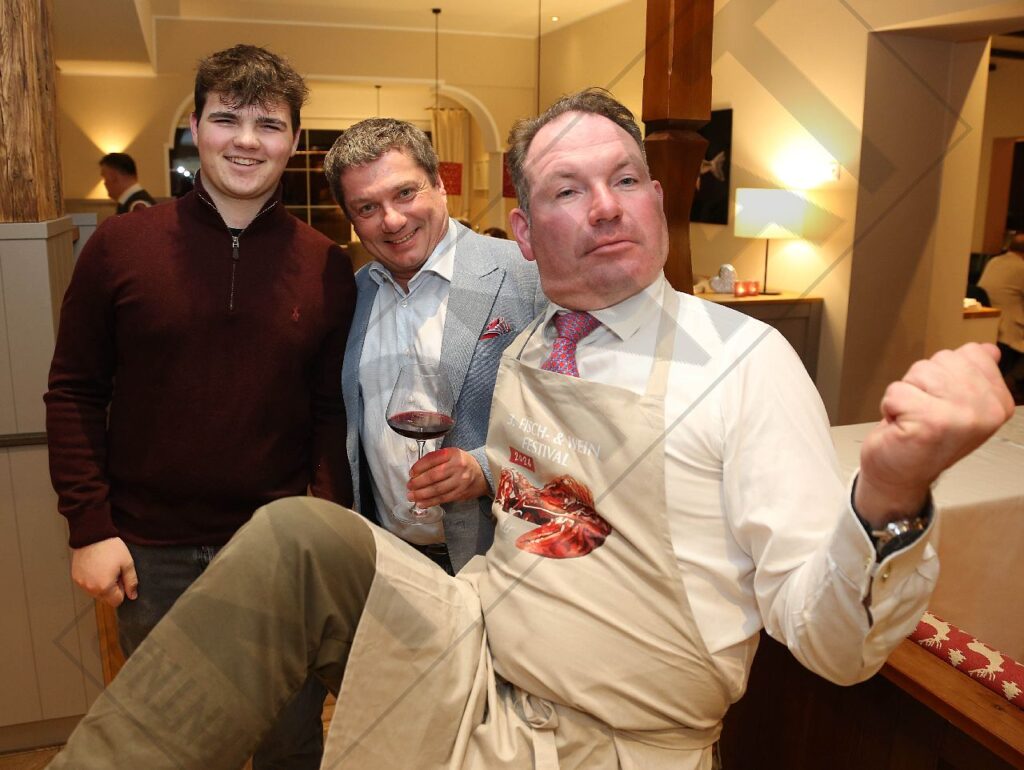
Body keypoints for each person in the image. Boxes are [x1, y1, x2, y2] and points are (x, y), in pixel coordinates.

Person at [51, 89, 1014, 770]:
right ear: (523, 229)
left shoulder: (744, 363)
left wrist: (890, 495)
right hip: (469, 653)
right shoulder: (530, 346)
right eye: (565, 189)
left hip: (611, 738)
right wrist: (483, 467)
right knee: (297, 536)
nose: (606, 206)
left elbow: (834, 645)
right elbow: (545, 495)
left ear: (657, 199)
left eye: (626, 178)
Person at [45, 45, 356, 769]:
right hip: (150, 556)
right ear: (195, 126)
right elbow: (75, 391)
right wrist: (89, 527)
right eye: (227, 119)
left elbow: (327, 414)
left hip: (276, 556)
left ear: (294, 140)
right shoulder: (119, 246)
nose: (247, 141)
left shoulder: (326, 264)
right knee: (169, 750)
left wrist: (325, 525)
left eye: (268, 124)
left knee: (289, 745)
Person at [323, 119, 546, 574]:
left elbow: (574, 421)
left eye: (405, 193)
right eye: (367, 207)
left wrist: (485, 469)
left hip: (498, 561)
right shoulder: (352, 295)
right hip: (386, 558)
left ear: (440, 185)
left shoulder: (528, 276)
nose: (392, 220)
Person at [978, 232, 1024, 403]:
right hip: (1010, 329)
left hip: (990, 323)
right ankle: (1010, 383)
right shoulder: (1021, 268)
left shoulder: (994, 261)